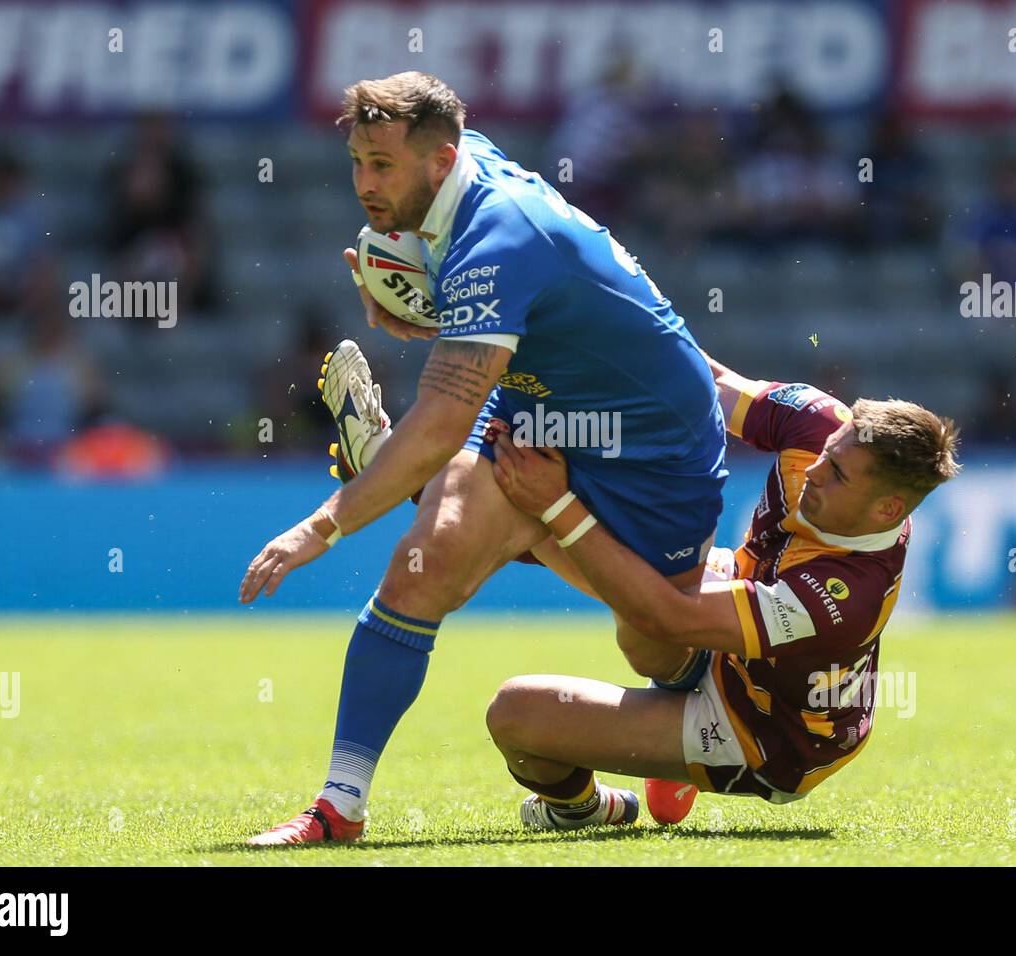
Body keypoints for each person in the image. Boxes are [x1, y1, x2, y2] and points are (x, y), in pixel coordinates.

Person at [240, 72, 727, 845]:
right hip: (539, 408)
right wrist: (415, 288)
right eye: (359, 162)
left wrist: (322, 526)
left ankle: (674, 706)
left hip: (653, 443)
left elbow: (440, 419)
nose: (365, 184)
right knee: (426, 562)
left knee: (654, 637)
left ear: (441, 160)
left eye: (383, 166)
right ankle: (340, 806)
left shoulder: (498, 235)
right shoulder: (462, 174)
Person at [483, 355, 961, 829]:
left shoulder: (844, 596)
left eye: (837, 474)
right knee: (640, 564)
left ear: (886, 510)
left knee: (515, 713)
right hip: (727, 602)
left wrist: (552, 511)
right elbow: (696, 377)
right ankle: (640, 756)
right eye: (827, 452)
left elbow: (666, 614)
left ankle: (595, 801)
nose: (814, 470)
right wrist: (600, 313)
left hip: (768, 733)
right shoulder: (821, 423)